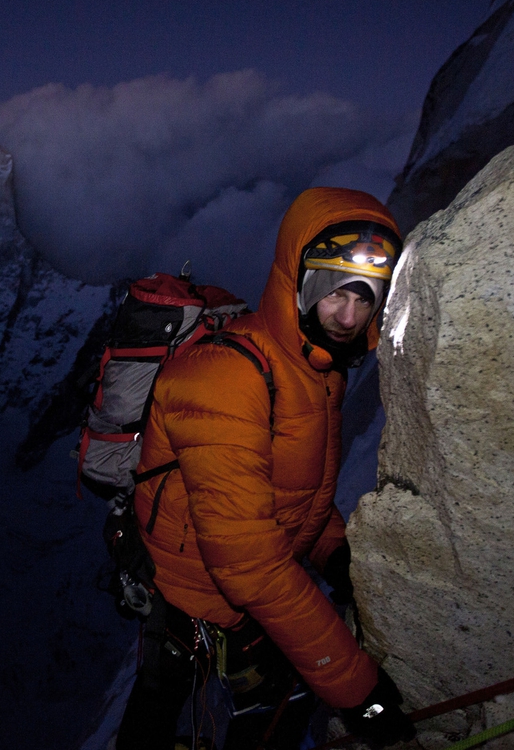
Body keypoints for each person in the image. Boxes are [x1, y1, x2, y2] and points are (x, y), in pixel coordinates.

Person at [114, 187, 416, 750]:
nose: (349, 316)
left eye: (367, 298)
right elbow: (249, 563)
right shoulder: (229, 380)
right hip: (193, 594)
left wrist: (333, 549)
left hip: (242, 585)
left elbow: (292, 490)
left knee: (226, 704)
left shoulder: (318, 368)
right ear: (294, 280)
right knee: (196, 710)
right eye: (332, 292)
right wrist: (358, 692)